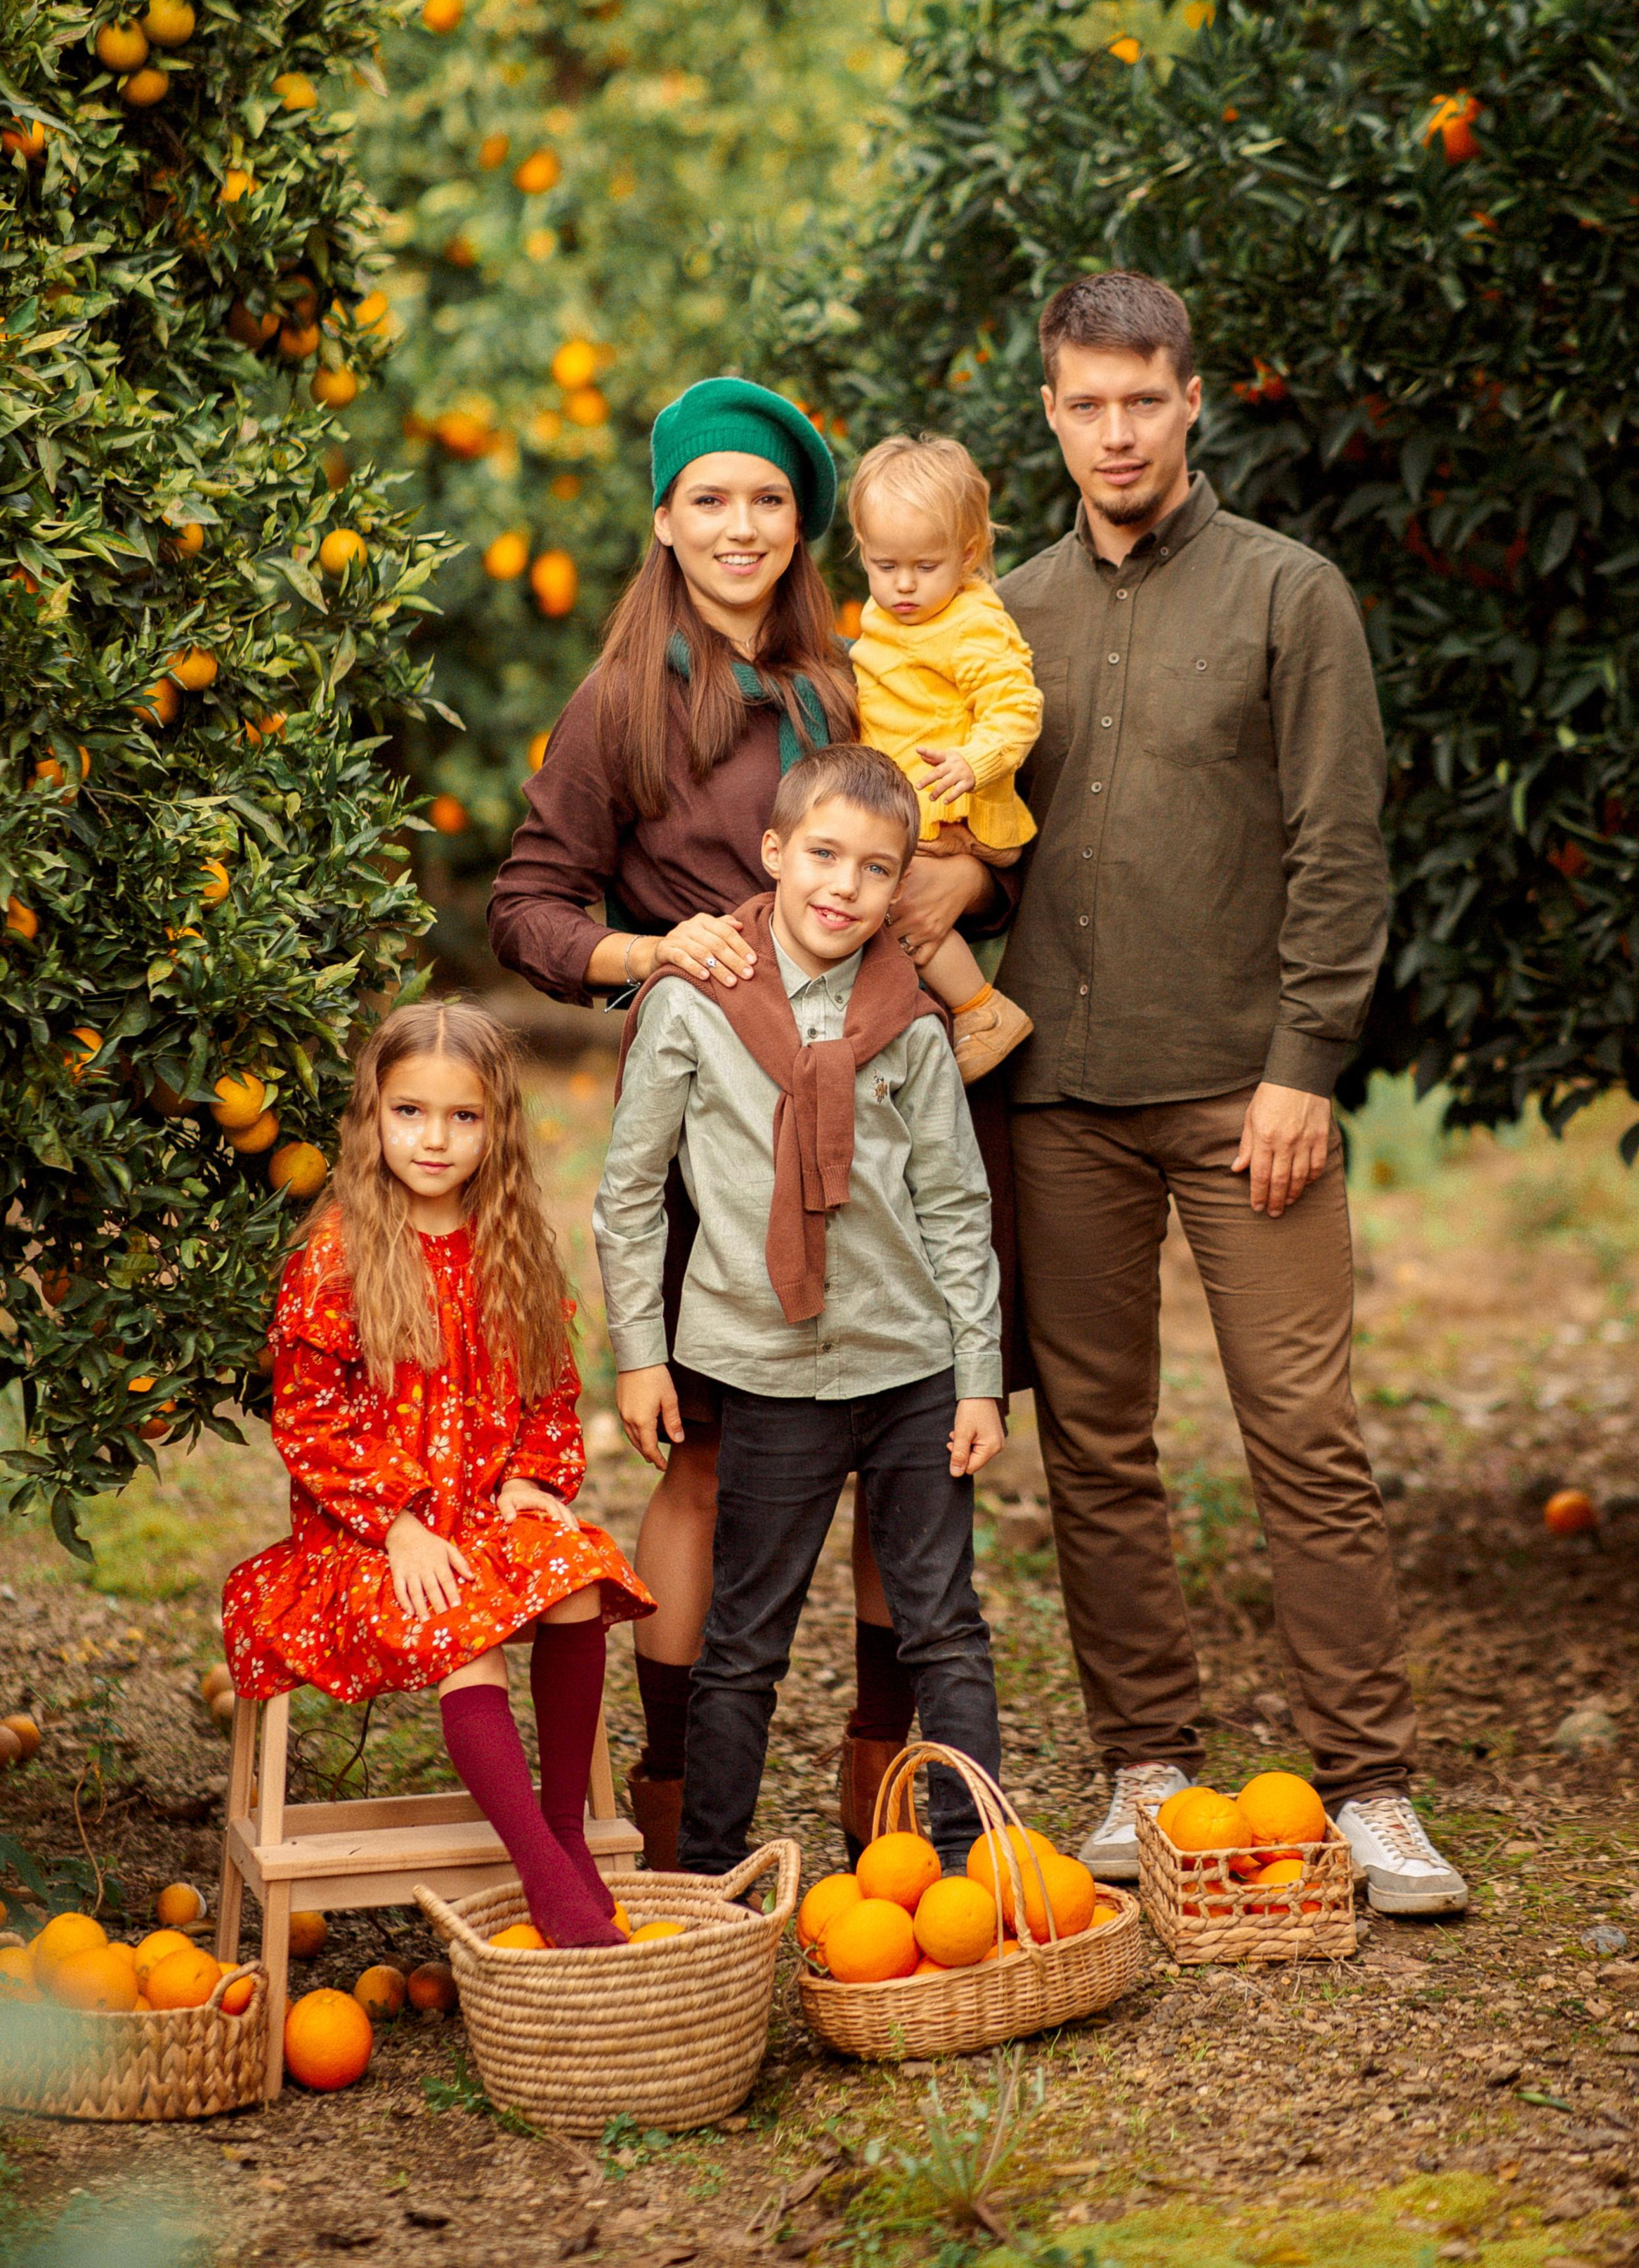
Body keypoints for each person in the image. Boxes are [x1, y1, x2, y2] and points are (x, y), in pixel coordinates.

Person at [993, 270, 1466, 1916]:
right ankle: (1143, 1767)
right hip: (1058, 1100)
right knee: (1094, 1444)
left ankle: (1370, 1786)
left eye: (1142, 399)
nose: (1114, 432)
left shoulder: (1287, 593)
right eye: (1085, 404)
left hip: (1242, 1099)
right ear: (1049, 414)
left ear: (1190, 399)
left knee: (1301, 1430)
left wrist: (1300, 1067)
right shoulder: (1003, 615)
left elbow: (1340, 849)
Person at [486, 378, 1009, 1868]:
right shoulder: (621, 704)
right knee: (711, 1456)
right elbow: (526, 907)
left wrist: (961, 880)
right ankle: (679, 1795)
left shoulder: (857, 676)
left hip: (879, 1090)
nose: (740, 525)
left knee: (907, 1440)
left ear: (801, 526)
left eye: (768, 500)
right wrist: (652, 952)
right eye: (709, 498)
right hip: (715, 1110)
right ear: (663, 520)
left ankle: (889, 1776)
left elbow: (950, 831)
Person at [594, 741, 1005, 1874]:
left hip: (912, 1366)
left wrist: (978, 1377)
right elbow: (629, 1195)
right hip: (766, 1369)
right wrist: (641, 1354)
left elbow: (956, 1210)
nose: (844, 886)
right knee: (744, 1644)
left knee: (946, 1629)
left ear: (900, 886)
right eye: (823, 855)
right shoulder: (694, 1004)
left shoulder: (912, 1021)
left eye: (876, 869)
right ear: (774, 852)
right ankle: (707, 1883)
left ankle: (975, 1870)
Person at [221, 1002, 653, 1950]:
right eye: (409, 1112)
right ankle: (544, 1875)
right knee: (468, 1636)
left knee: (576, 1577)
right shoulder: (336, 1256)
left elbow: (550, 1387)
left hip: (482, 1511)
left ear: (497, 1127)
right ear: (372, 1117)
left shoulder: (511, 1248)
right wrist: (400, 1523)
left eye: (463, 1117)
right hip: (368, 1537)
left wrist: (532, 1479)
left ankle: (565, 1832)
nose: (434, 1139)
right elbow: (310, 1420)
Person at [846, 434, 1039, 1083]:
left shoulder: (972, 624)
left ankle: (982, 1011)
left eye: (925, 566)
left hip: (953, 802)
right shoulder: (890, 613)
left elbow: (1017, 707)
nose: (903, 585)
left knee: (894, 898)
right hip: (910, 796)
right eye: (884, 565)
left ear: (968, 555)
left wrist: (974, 763)